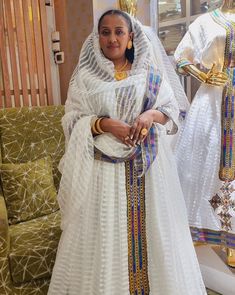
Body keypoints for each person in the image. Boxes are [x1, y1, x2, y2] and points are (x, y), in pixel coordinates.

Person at [48, 9, 206, 295]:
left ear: (131, 37)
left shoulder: (150, 74)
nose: (112, 38)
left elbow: (170, 110)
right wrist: (104, 124)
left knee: (157, 238)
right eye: (105, 32)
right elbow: (71, 120)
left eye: (119, 32)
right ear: (98, 38)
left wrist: (149, 117)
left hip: (149, 171)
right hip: (102, 173)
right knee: (107, 237)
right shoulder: (85, 77)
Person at [174, 0, 235, 267]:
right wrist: (202, 74)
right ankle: (208, 230)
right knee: (206, 163)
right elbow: (179, 58)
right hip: (212, 103)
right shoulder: (205, 21)